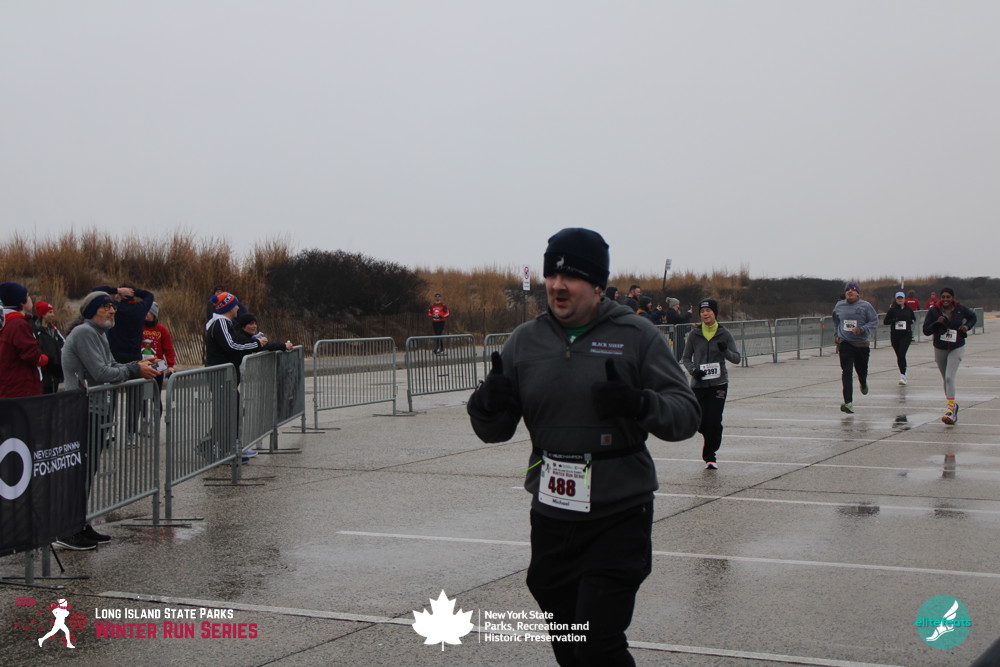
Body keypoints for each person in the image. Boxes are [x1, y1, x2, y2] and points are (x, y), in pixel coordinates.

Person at [467, 228, 700, 665]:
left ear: (596, 284)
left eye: (570, 276)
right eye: (552, 275)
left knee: (597, 642)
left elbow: (686, 415)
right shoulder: (524, 342)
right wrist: (485, 404)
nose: (557, 285)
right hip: (552, 517)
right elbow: (493, 431)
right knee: (570, 643)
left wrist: (639, 403)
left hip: (618, 514)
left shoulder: (637, 335)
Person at [61, 291, 161, 550]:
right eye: (106, 306)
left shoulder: (99, 333)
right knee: (80, 472)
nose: (112, 310)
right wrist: (134, 369)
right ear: (91, 310)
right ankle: (67, 530)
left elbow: (112, 365)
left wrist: (137, 364)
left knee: (89, 471)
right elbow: (101, 372)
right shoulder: (84, 332)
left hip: (97, 409)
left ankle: (81, 523)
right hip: (83, 409)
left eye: (113, 306)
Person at [682, 299, 741, 469]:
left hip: (718, 384)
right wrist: (694, 371)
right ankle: (709, 437)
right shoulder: (694, 334)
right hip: (699, 385)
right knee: (700, 422)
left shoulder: (724, 334)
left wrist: (725, 350)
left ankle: (710, 456)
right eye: (702, 311)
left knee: (714, 421)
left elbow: (736, 358)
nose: (705, 314)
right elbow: (686, 358)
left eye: (708, 310)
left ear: (715, 313)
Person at [922, 287, 977, 425]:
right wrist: (937, 322)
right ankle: (953, 405)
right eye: (943, 297)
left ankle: (950, 411)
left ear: (952, 298)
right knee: (945, 379)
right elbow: (926, 331)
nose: (946, 299)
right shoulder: (934, 311)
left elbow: (973, 317)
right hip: (940, 347)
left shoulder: (960, 309)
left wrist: (966, 327)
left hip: (957, 346)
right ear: (940, 298)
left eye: (948, 297)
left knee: (949, 377)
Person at [831, 281, 878, 414]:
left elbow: (874, 321)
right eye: (848, 290)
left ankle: (863, 382)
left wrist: (862, 329)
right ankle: (848, 402)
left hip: (861, 345)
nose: (850, 292)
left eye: (853, 290)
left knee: (861, 371)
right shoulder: (839, 306)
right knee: (846, 372)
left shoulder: (865, 306)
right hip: (846, 344)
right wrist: (836, 334)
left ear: (858, 293)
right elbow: (836, 320)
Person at [0, 282, 48, 398]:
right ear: (22, 302)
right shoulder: (18, 325)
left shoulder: (5, 322)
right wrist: (43, 359)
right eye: (28, 295)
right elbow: (31, 355)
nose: (30, 298)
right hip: (22, 388)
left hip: (9, 387)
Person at [142, 302, 176, 392]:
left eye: (148, 311)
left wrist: (170, 365)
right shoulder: (138, 327)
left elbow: (169, 349)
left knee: (156, 394)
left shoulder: (162, 330)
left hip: (158, 365)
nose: (145, 313)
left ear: (153, 314)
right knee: (141, 395)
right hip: (142, 364)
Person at [33, 300, 66, 394]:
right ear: (43, 315)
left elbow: (64, 344)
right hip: (44, 371)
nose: (53, 315)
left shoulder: (53, 329)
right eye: (50, 312)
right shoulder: (36, 331)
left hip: (55, 371)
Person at [883, 291, 915, 385]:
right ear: (896, 299)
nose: (900, 300)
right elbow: (885, 321)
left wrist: (910, 321)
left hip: (906, 335)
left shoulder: (908, 309)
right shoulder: (892, 310)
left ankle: (903, 376)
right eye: (898, 298)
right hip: (895, 335)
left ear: (904, 299)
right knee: (899, 356)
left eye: (901, 298)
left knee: (902, 354)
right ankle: (903, 370)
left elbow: (913, 319)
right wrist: (894, 320)